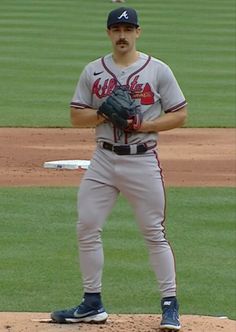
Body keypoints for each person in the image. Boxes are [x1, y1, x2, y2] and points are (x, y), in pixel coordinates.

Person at [51, 7, 187, 331]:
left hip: (142, 159)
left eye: (128, 29)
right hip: (103, 160)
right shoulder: (93, 72)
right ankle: (91, 303)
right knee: (87, 226)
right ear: (109, 33)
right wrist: (103, 114)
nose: (122, 35)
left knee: (154, 233)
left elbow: (180, 113)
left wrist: (145, 124)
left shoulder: (158, 70)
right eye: (116, 29)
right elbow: (75, 116)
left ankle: (170, 305)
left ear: (138, 32)